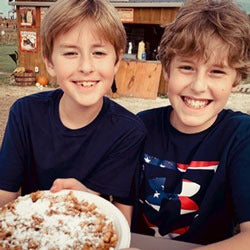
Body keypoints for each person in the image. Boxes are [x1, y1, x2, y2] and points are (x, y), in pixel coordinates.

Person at [0, 0, 146, 225]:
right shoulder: (25, 114)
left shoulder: (128, 131)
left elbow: (121, 218)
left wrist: (84, 198)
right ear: (49, 61)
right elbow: (5, 196)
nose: (86, 67)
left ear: (116, 60)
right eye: (70, 53)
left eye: (98, 52)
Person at [132, 0, 250, 249]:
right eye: (186, 67)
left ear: (236, 79)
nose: (198, 86)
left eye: (217, 72)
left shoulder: (241, 136)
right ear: (167, 70)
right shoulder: (139, 127)